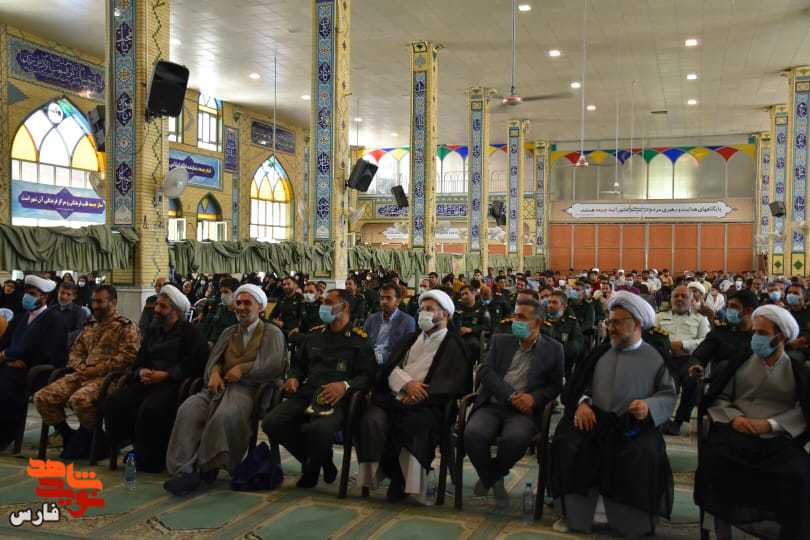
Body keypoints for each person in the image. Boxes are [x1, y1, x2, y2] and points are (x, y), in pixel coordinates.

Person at [550, 291, 677, 537]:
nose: (610, 328)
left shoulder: (655, 356)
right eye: (609, 322)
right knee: (567, 443)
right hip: (595, 420)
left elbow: (668, 394)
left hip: (634, 425)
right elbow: (580, 386)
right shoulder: (600, 352)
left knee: (643, 454)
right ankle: (578, 515)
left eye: (617, 323)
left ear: (636, 324)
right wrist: (583, 403)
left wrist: (649, 406)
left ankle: (629, 522)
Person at [695, 304, 810, 540]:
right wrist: (734, 418)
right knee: (715, 462)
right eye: (755, 332)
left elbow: (803, 411)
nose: (756, 338)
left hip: (776, 439)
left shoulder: (797, 370)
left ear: (781, 337)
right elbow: (719, 397)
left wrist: (770, 425)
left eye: (763, 333)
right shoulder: (738, 363)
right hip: (735, 432)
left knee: (798, 474)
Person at [164, 284, 286, 495]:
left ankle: (206, 467)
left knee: (224, 416)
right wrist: (214, 373)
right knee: (189, 409)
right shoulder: (229, 332)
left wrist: (243, 369)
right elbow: (215, 360)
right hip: (218, 387)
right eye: (238, 303)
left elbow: (273, 365)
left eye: (247, 303)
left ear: (260, 307)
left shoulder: (272, 333)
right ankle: (183, 470)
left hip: (250, 390)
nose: (241, 307)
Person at [356, 290, 472, 502]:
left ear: (445, 314)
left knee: (415, 424)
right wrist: (405, 385)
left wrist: (420, 395)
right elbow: (390, 368)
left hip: (429, 405)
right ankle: (372, 478)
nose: (423, 313)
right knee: (371, 419)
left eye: (430, 309)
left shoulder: (455, 345)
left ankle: (404, 482)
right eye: (421, 309)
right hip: (396, 397)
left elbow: (453, 383)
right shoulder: (410, 339)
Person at [262, 289, 375, 488]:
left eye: (329, 302)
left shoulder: (359, 340)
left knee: (319, 429)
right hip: (307, 393)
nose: (323, 307)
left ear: (344, 307)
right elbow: (299, 365)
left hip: (337, 399)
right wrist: (294, 377)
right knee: (272, 422)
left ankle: (312, 470)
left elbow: (367, 376)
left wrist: (345, 385)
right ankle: (320, 461)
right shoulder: (314, 336)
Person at [464, 299, 564, 502]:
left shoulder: (554, 349)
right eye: (515, 316)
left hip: (524, 411)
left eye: (522, 317)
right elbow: (485, 371)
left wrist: (533, 398)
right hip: (494, 404)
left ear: (537, 322)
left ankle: (491, 476)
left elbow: (555, 386)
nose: (515, 321)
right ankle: (493, 478)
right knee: (473, 434)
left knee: (514, 440)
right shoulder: (501, 341)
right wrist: (510, 395)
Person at [103, 284, 209, 472]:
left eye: (162, 307)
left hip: (174, 384)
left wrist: (167, 374)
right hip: (146, 381)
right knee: (114, 402)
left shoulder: (190, 332)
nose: (156, 310)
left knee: (150, 409)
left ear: (175, 311)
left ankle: (152, 459)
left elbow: (195, 363)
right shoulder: (154, 331)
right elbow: (139, 359)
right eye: (157, 305)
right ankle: (122, 446)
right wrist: (141, 372)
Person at [34, 285, 139, 459]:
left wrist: (95, 369)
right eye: (93, 301)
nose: (95, 306)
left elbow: (128, 357)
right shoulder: (90, 326)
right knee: (43, 398)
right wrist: (80, 366)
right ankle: (70, 437)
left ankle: (93, 440)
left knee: (80, 400)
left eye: (100, 302)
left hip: (108, 379)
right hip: (81, 375)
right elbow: (76, 351)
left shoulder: (125, 327)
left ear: (113, 302)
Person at [0, 276, 71, 450]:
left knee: (7, 385)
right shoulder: (21, 318)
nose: (27, 297)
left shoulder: (54, 319)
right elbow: (4, 343)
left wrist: (23, 361)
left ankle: (4, 436)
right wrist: (6, 356)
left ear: (44, 297)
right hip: (12, 365)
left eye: (32, 294)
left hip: (38, 370)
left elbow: (50, 352)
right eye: (26, 293)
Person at [656, 285, 711, 435]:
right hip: (665, 358)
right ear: (671, 299)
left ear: (692, 300)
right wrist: (669, 346)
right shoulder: (659, 317)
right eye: (676, 296)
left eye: (684, 296)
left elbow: (706, 341)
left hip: (689, 359)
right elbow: (652, 338)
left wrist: (683, 344)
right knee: (665, 384)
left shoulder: (700, 319)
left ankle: (678, 421)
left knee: (693, 382)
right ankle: (663, 419)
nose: (679, 299)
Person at [364, 283, 416, 365]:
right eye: (382, 298)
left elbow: (405, 351)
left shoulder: (407, 321)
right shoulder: (372, 319)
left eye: (389, 298)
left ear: (398, 301)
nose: (384, 301)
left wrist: (380, 358)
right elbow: (363, 342)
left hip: (390, 364)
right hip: (368, 361)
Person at [542, 291, 585, 379]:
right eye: (549, 302)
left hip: (563, 363)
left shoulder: (571, 322)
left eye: (554, 303)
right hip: (541, 362)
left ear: (564, 306)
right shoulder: (541, 320)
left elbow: (578, 344)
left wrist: (559, 351)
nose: (550, 305)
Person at [452, 285, 490, 363]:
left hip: (473, 336)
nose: (464, 296)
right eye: (462, 294)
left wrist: (470, 329)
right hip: (457, 335)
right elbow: (451, 323)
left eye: (466, 293)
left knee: (472, 344)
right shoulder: (457, 307)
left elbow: (487, 326)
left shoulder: (482, 308)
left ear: (474, 293)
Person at [198, 277, 239, 344]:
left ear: (236, 293)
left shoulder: (239, 314)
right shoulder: (220, 308)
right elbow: (211, 328)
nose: (223, 295)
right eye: (221, 292)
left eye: (226, 292)